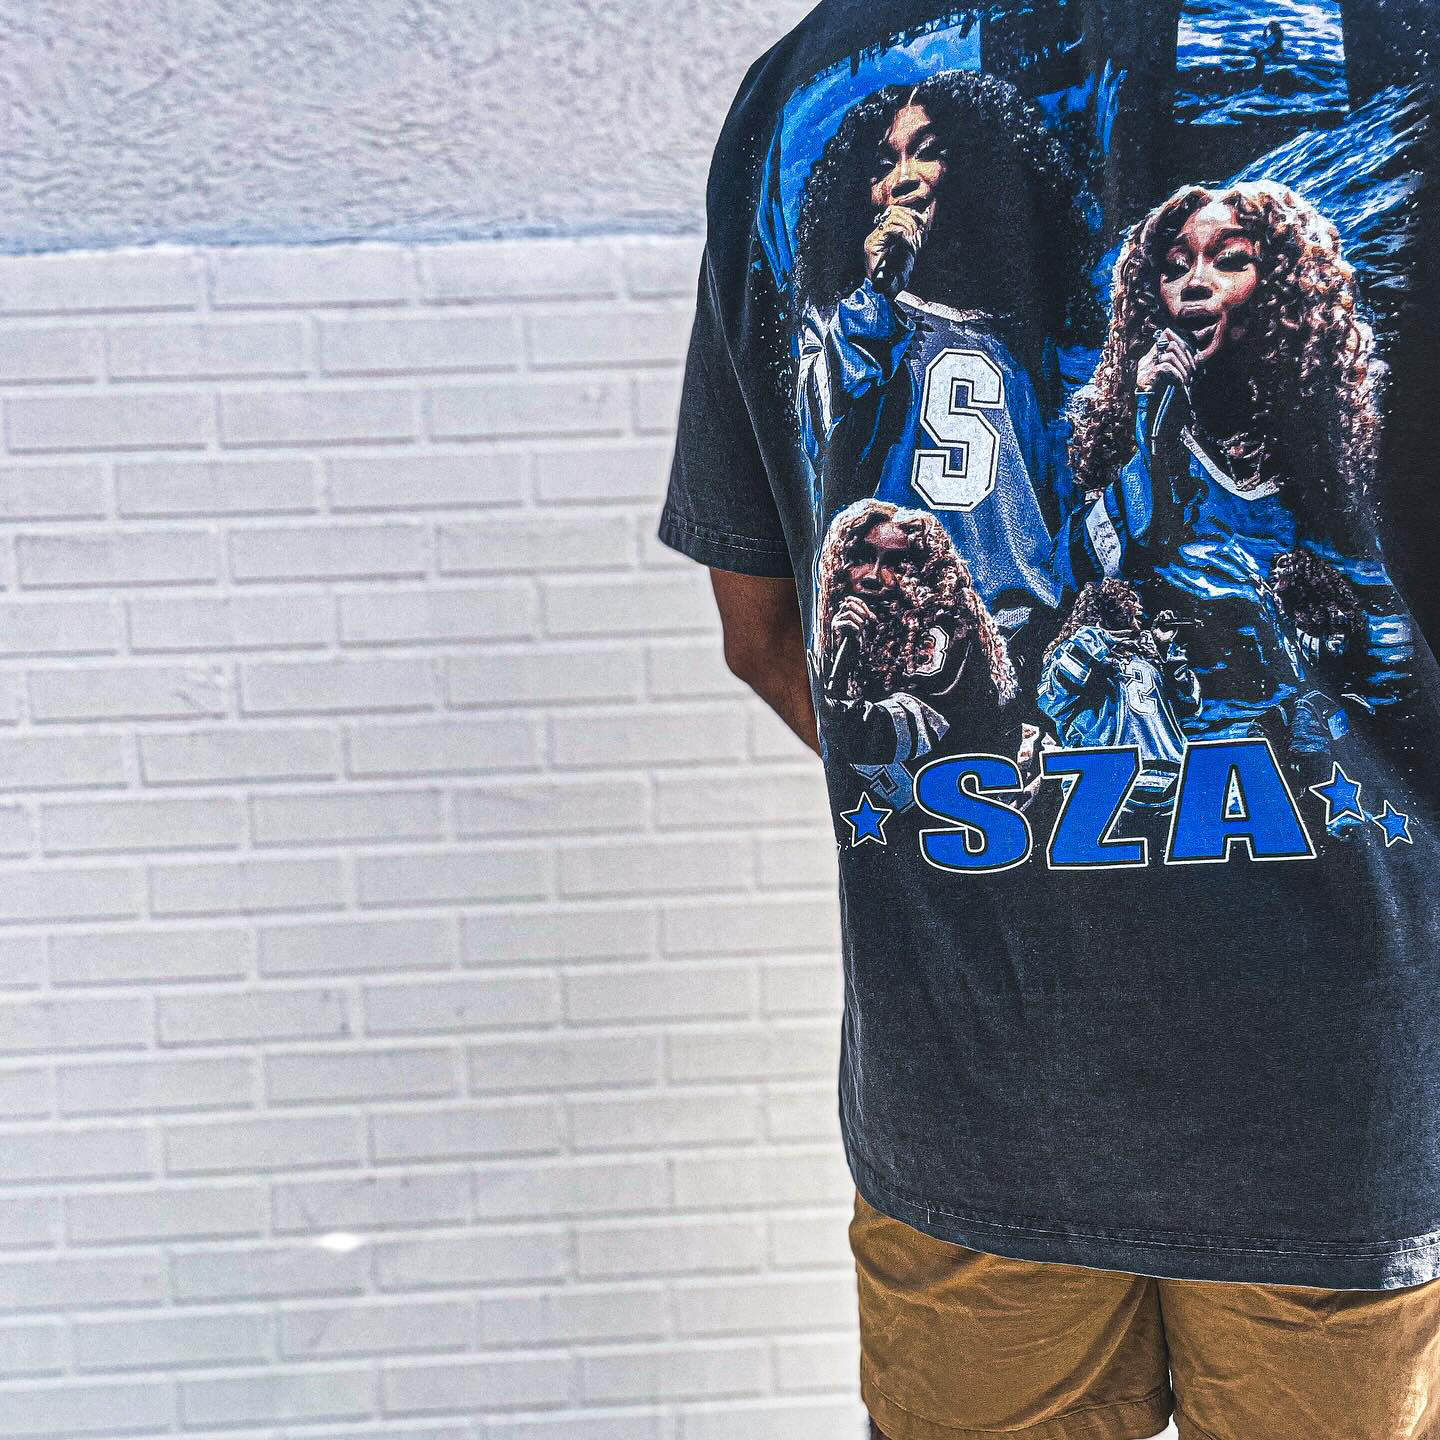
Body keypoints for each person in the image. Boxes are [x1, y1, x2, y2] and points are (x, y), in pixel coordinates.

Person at [655, 3, 1440, 1437]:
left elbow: (764, 630)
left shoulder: (805, 80)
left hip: (978, 1068)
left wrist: (1018, 792)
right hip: (1350, 1081)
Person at [1063, 178, 1405, 769]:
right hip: (1172, 771)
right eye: (1174, 268)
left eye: (1229, 261)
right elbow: (1075, 580)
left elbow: (1391, 655)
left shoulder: (1337, 458)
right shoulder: (1141, 438)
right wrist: (1148, 427)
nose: (1194, 282)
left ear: (1280, 290)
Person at [792, 68, 1100, 679]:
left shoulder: (1036, 341)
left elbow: (1069, 497)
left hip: (1030, 647)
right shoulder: (842, 319)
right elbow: (815, 430)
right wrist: (878, 294)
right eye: (882, 165)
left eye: (927, 153)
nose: (902, 179)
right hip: (897, 648)